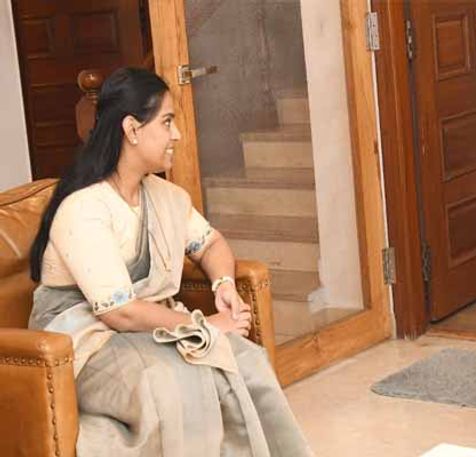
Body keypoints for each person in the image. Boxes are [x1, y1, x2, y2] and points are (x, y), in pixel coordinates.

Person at [28, 67, 313, 457]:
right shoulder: (84, 209)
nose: (176, 134)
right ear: (132, 129)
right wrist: (203, 325)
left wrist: (223, 285)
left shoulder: (165, 197)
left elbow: (211, 244)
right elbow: (119, 312)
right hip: (85, 343)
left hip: (148, 328)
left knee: (245, 359)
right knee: (172, 381)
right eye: (166, 122)